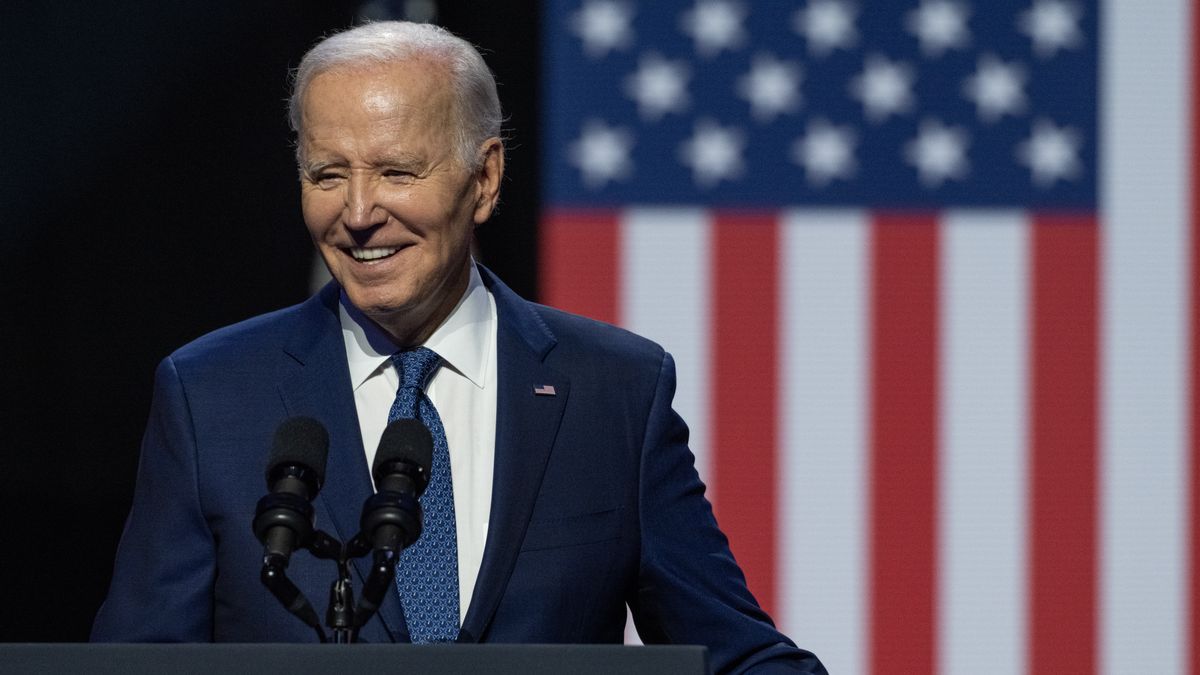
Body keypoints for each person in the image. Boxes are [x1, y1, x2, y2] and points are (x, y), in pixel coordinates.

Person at [91, 20, 826, 674]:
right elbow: (135, 661)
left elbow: (738, 653)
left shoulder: (615, 391)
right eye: (328, 175)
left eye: (396, 172)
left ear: (485, 179)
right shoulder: (210, 394)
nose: (358, 213)